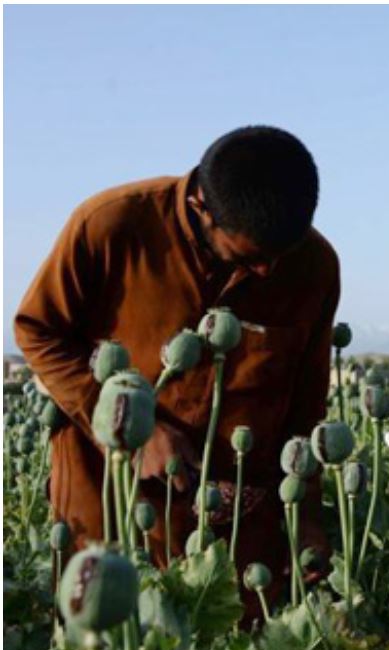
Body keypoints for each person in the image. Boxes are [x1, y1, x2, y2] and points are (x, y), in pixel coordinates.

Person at [14, 125, 339, 621]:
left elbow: (307, 398)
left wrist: (308, 512)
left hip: (236, 510)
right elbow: (38, 331)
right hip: (108, 487)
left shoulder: (314, 264)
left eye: (281, 257)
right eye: (251, 260)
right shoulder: (110, 225)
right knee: (108, 648)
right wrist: (131, 433)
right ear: (202, 208)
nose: (268, 273)